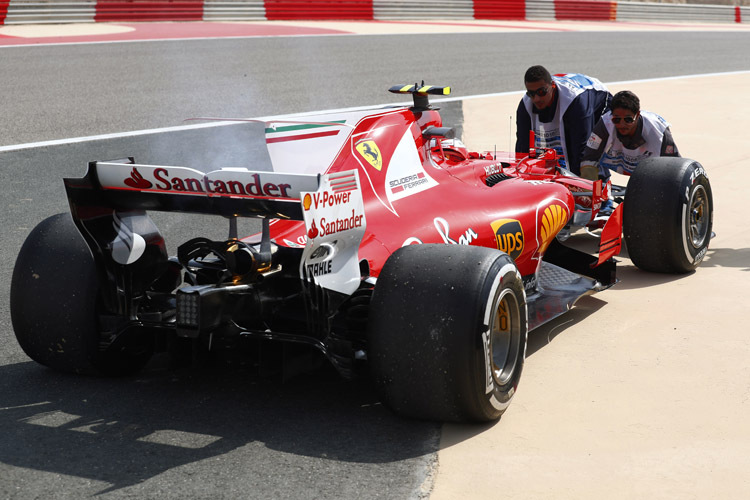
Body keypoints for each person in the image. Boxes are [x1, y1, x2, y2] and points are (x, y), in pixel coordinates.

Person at [516, 65, 611, 176]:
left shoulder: (576, 102)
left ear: (552, 86)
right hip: (569, 102)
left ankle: (601, 182)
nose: (536, 99)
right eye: (531, 94)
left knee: (586, 152)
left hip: (597, 104)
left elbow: (581, 150)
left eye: (541, 92)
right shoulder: (525, 106)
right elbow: (521, 150)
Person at [580, 90, 680, 181]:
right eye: (617, 119)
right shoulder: (604, 125)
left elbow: (676, 165)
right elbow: (589, 159)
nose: (622, 125)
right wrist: (589, 190)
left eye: (628, 120)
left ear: (637, 115)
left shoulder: (658, 129)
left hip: (653, 173)